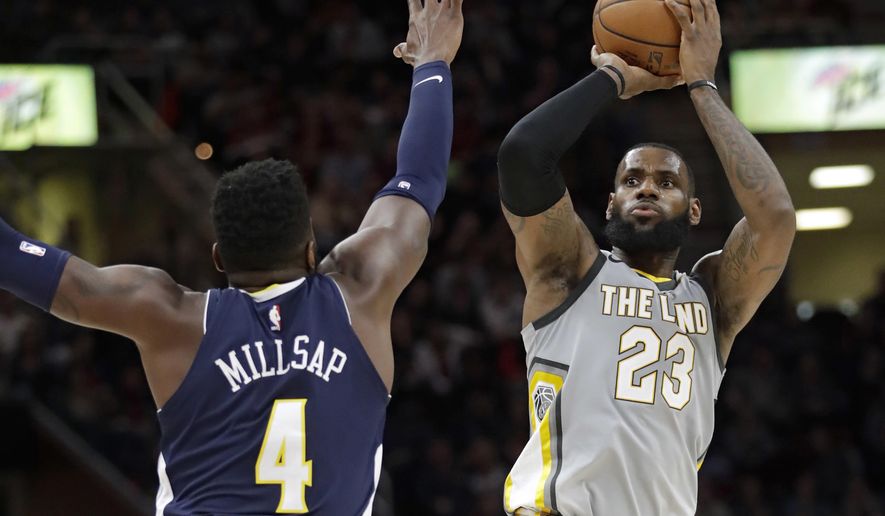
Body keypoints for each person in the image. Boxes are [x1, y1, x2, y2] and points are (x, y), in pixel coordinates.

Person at [0, 0, 463, 513]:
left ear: (219, 257)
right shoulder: (361, 292)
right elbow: (418, 181)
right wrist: (433, 63)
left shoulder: (172, 318)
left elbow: (25, 263)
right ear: (312, 248)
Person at [497, 0, 796, 514]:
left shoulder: (712, 298)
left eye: (667, 182)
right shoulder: (570, 271)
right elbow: (524, 155)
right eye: (631, 180)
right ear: (610, 202)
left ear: (695, 210)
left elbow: (775, 218)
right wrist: (611, 77)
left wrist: (701, 87)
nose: (646, 189)